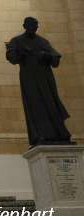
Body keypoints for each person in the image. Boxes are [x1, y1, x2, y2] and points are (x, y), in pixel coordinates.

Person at [5, 16, 72, 146]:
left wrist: (46, 55)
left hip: (45, 78)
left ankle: (60, 133)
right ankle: (40, 134)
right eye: (31, 25)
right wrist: (21, 54)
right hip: (29, 78)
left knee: (51, 103)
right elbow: (12, 58)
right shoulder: (17, 41)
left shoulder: (42, 41)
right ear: (25, 26)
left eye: (35, 26)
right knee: (35, 105)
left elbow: (55, 58)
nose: (33, 28)